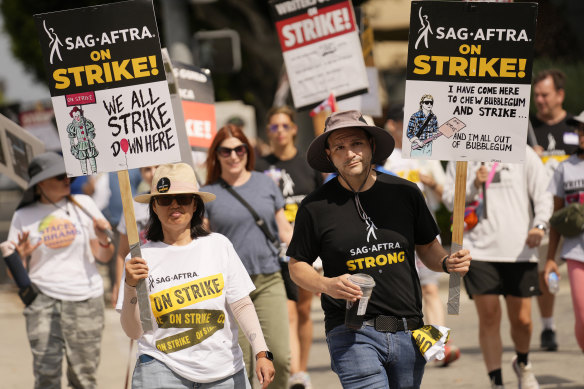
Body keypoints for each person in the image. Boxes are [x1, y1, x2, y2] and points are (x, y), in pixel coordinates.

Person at [287, 110, 471, 389]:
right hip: (351, 331)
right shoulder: (315, 207)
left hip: (408, 330)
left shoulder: (406, 193)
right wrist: (326, 284)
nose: (350, 153)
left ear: (371, 145)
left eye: (357, 143)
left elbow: (428, 248)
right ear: (329, 155)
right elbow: (297, 265)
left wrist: (447, 263)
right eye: (339, 147)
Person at [117, 163, 275, 389]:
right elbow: (133, 331)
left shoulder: (218, 245)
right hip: (161, 367)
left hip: (224, 372)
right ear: (154, 206)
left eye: (182, 198)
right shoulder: (139, 260)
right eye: (164, 200)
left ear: (195, 204)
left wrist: (262, 352)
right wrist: (130, 286)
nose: (174, 205)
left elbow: (241, 304)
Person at [442, 146, 553, 389]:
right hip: (478, 250)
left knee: (522, 320)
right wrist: (472, 184)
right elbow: (450, 200)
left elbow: (544, 193)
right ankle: (497, 381)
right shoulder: (463, 153)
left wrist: (540, 226)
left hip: (520, 249)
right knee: (489, 315)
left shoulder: (524, 153)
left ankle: (523, 364)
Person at [5, 151, 114, 389]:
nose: (67, 179)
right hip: (43, 301)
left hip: (86, 300)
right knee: (46, 377)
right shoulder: (23, 216)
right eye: (59, 176)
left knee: (84, 379)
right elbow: (14, 275)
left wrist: (103, 238)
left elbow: (104, 256)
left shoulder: (84, 205)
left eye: (68, 175)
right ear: (41, 183)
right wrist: (20, 257)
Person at [202, 125, 293, 389]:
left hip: (268, 279)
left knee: (280, 358)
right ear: (216, 154)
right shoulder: (207, 192)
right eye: (226, 150)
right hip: (228, 289)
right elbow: (202, 241)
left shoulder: (265, 183)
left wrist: (311, 260)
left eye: (239, 149)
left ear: (247, 151)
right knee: (239, 364)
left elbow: (284, 229)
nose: (233, 155)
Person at [384, 104, 460, 366]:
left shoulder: (425, 154)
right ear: (392, 125)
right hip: (392, 236)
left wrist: (432, 183)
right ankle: (408, 347)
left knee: (429, 289)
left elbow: (446, 197)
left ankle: (438, 348)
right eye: (403, 123)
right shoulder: (383, 158)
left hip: (424, 233)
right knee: (404, 294)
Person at [255, 106, 323, 389]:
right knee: (289, 312)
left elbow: (322, 205)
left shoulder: (309, 164)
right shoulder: (259, 167)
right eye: (274, 127)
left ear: (294, 129)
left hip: (307, 250)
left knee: (305, 311)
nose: (280, 132)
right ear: (267, 132)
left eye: (285, 126)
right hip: (273, 251)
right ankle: (295, 374)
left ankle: (302, 370)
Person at [530, 69, 578, 351]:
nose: (540, 100)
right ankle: (548, 327)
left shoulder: (576, 128)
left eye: (545, 94)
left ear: (560, 95)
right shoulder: (528, 129)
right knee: (544, 273)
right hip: (542, 216)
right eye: (536, 95)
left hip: (574, 217)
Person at [544, 113, 584, 352]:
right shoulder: (564, 168)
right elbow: (556, 217)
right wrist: (550, 258)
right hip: (575, 251)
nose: (581, 134)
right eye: (579, 130)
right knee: (582, 316)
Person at [111, 165, 157, 307]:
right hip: (141, 282)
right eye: (147, 169)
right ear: (141, 174)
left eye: (158, 167)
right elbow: (123, 253)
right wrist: (120, 286)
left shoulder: (179, 202)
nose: (153, 173)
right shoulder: (133, 204)